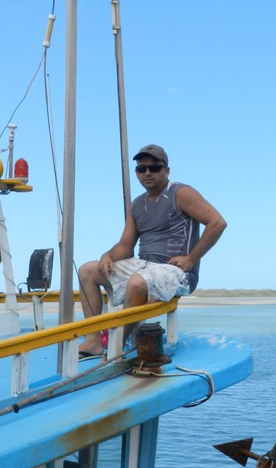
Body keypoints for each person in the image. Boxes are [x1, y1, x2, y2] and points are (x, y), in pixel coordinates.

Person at [77, 144, 226, 357]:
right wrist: (107, 256)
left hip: (176, 271)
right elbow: (126, 246)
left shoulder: (181, 193)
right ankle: (93, 341)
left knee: (137, 282)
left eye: (154, 168)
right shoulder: (136, 205)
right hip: (143, 265)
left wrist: (191, 259)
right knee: (87, 271)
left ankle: (116, 349)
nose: (147, 173)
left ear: (166, 171)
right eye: (141, 168)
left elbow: (217, 223)